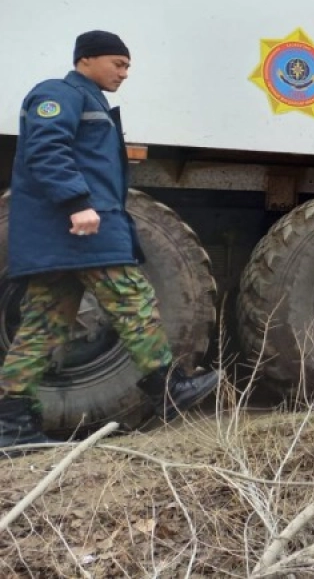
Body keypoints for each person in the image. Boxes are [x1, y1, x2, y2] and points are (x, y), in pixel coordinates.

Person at [0, 31, 220, 452]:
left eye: (127, 65)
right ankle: (168, 386)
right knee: (132, 295)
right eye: (118, 63)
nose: (125, 72)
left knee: (44, 327)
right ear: (86, 59)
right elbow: (45, 149)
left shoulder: (90, 101)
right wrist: (77, 203)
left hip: (65, 238)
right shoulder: (58, 93)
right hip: (77, 232)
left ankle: (10, 424)